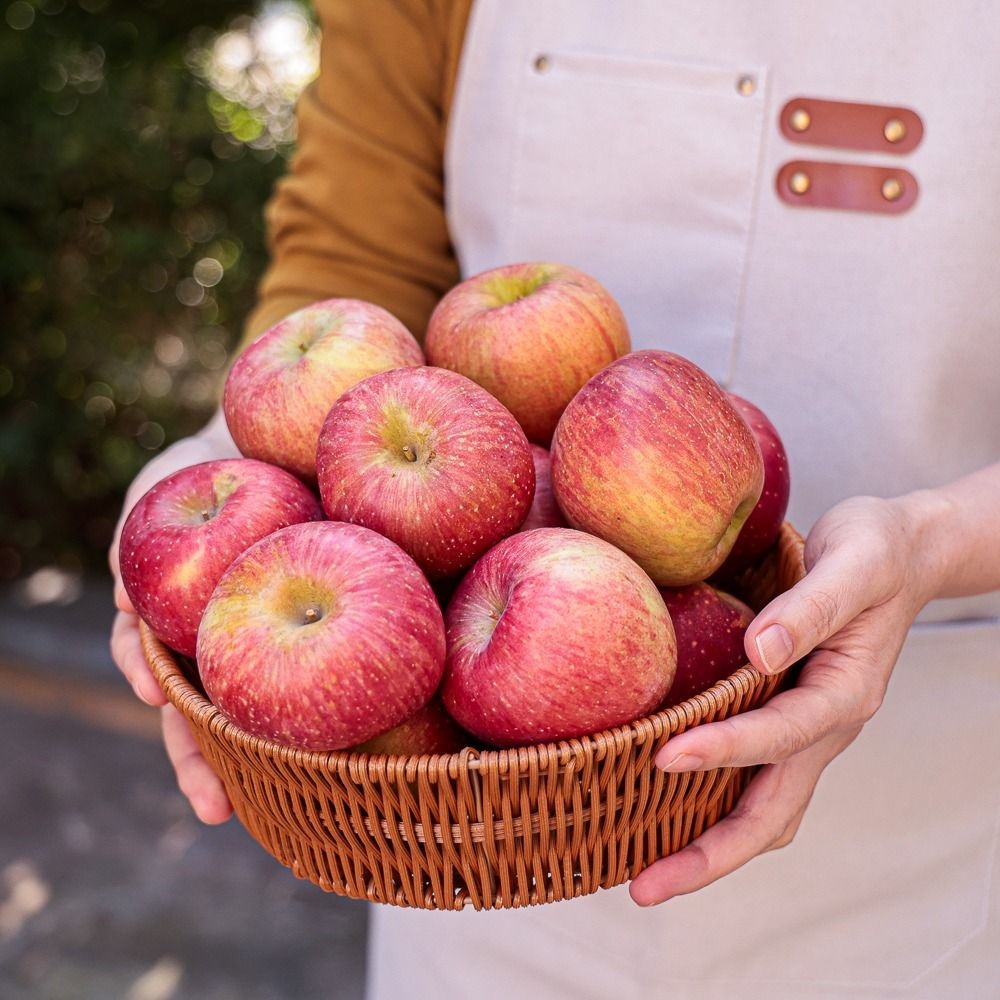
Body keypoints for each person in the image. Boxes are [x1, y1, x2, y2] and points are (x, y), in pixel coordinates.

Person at [110, 2, 1000, 996]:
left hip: (924, 834)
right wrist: (192, 493)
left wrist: (937, 541)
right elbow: (353, 272)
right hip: (482, 864)